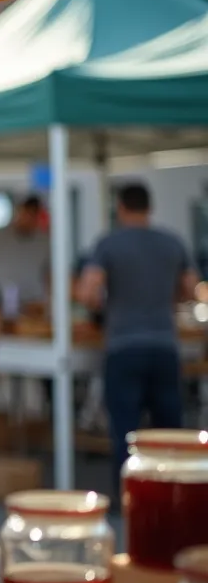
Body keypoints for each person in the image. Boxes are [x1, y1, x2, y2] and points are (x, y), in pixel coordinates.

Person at [78, 181, 197, 489]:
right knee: (169, 430)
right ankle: (174, 490)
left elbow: (88, 291)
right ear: (149, 207)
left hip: (123, 346)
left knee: (126, 431)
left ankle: (129, 494)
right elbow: (190, 288)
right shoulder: (172, 242)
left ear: (120, 207)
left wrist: (103, 305)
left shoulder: (109, 244)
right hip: (164, 345)